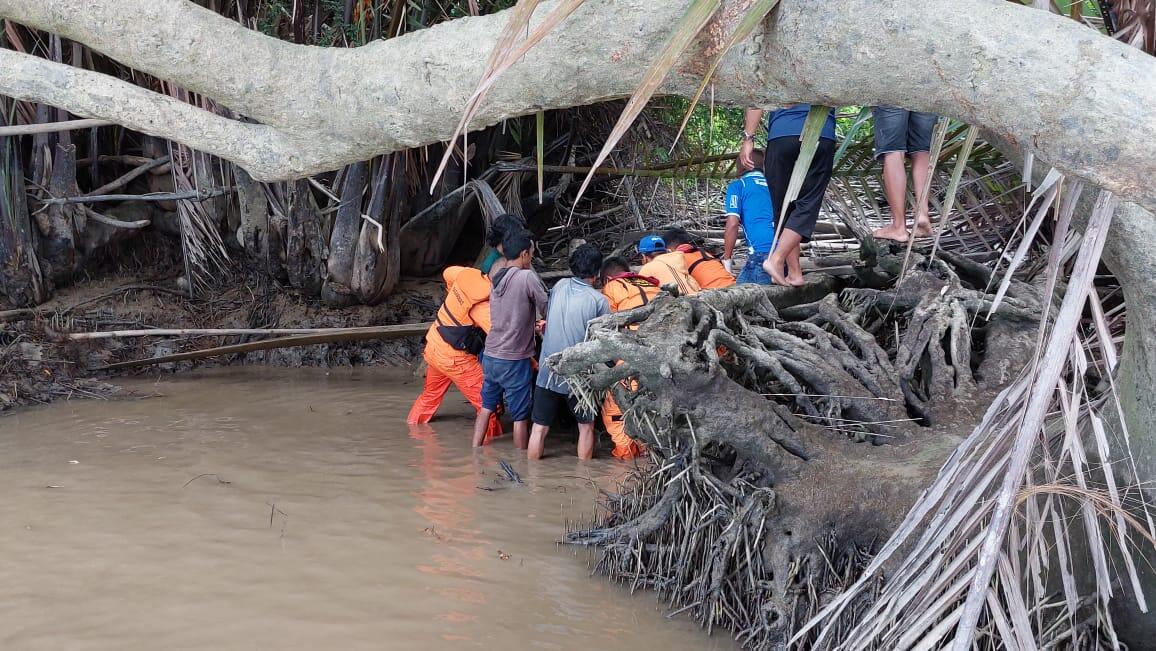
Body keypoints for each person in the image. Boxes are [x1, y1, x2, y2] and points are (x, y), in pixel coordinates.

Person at [739, 104, 837, 287]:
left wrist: (748, 138)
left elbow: (758, 98)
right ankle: (778, 260)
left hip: (782, 136)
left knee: (784, 207)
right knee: (807, 204)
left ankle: (794, 273)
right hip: (821, 134)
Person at [527, 244, 610, 461]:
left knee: (539, 428)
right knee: (586, 427)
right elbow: (603, 340)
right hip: (578, 375)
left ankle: (530, 476)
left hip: (548, 369)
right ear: (597, 273)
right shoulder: (599, 300)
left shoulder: (559, 285)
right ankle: (585, 478)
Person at [407, 266, 503, 441]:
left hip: (434, 346)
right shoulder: (483, 307)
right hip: (455, 360)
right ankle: (491, 447)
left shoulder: (466, 275)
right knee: (489, 405)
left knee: (429, 397)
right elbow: (505, 338)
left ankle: (413, 429)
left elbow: (447, 273)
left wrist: (452, 292)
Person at [472, 229, 548, 450]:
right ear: (524, 254)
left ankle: (475, 450)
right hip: (513, 359)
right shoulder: (526, 277)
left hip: (491, 353)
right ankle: (521, 464)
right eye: (532, 254)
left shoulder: (498, 276)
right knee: (520, 416)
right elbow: (546, 305)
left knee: (486, 406)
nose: (532, 258)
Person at [596, 256, 658, 460]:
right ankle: (650, 451)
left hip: (633, 357)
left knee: (615, 408)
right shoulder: (650, 283)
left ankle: (626, 455)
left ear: (606, 279)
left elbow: (604, 327)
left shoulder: (612, 289)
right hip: (662, 355)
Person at [871, 106, 939, 242]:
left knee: (893, 150)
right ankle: (923, 213)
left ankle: (898, 227)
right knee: (922, 149)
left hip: (891, 88)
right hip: (928, 87)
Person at [721, 149, 776, 284]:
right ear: (763, 166)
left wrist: (727, 260)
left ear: (740, 168)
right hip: (784, 255)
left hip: (761, 257)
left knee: (734, 296)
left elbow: (733, 223)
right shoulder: (775, 186)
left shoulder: (739, 186)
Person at [661, 227, 736, 290]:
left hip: (716, 294)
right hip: (735, 288)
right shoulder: (704, 253)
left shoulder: (677, 260)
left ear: (668, 250)